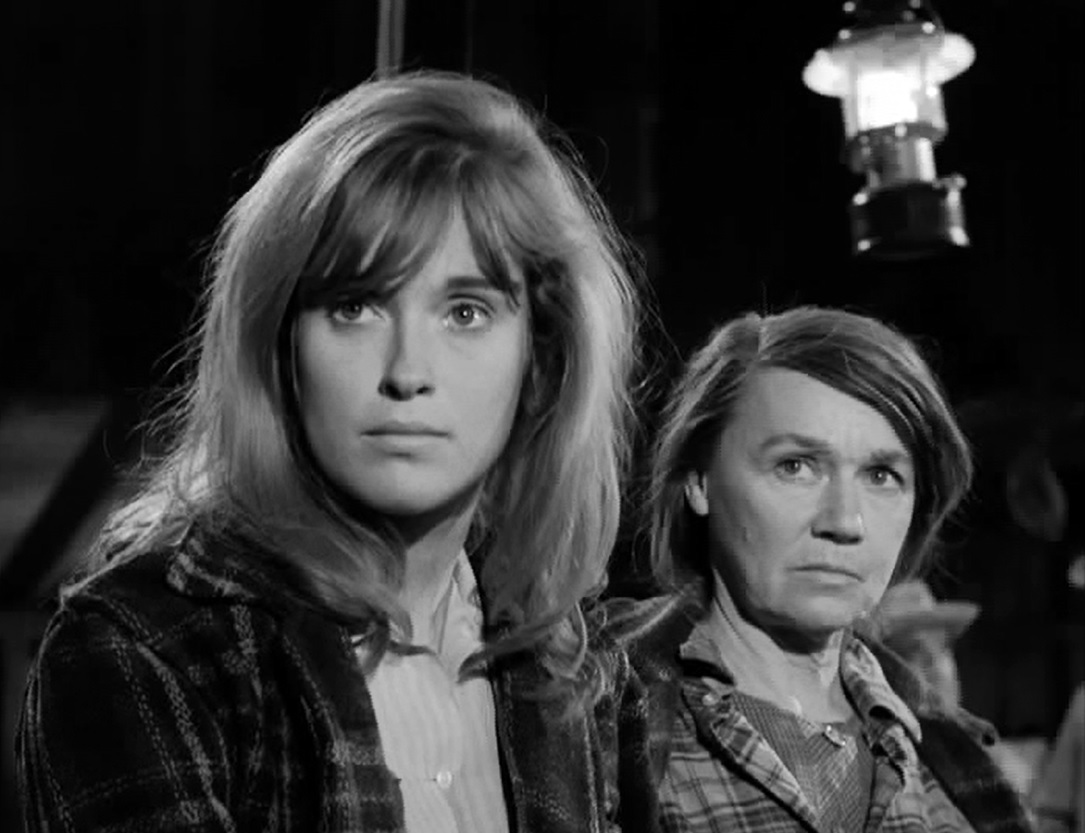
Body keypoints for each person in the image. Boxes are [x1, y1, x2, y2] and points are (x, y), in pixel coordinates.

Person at [16, 70, 653, 832]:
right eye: (354, 306)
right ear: (279, 344)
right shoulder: (143, 648)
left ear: (540, 359)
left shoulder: (576, 669)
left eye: (465, 312)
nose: (407, 373)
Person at [619, 306, 1034, 832]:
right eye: (795, 466)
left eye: (881, 475)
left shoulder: (954, 767)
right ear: (700, 481)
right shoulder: (602, 723)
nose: (844, 521)